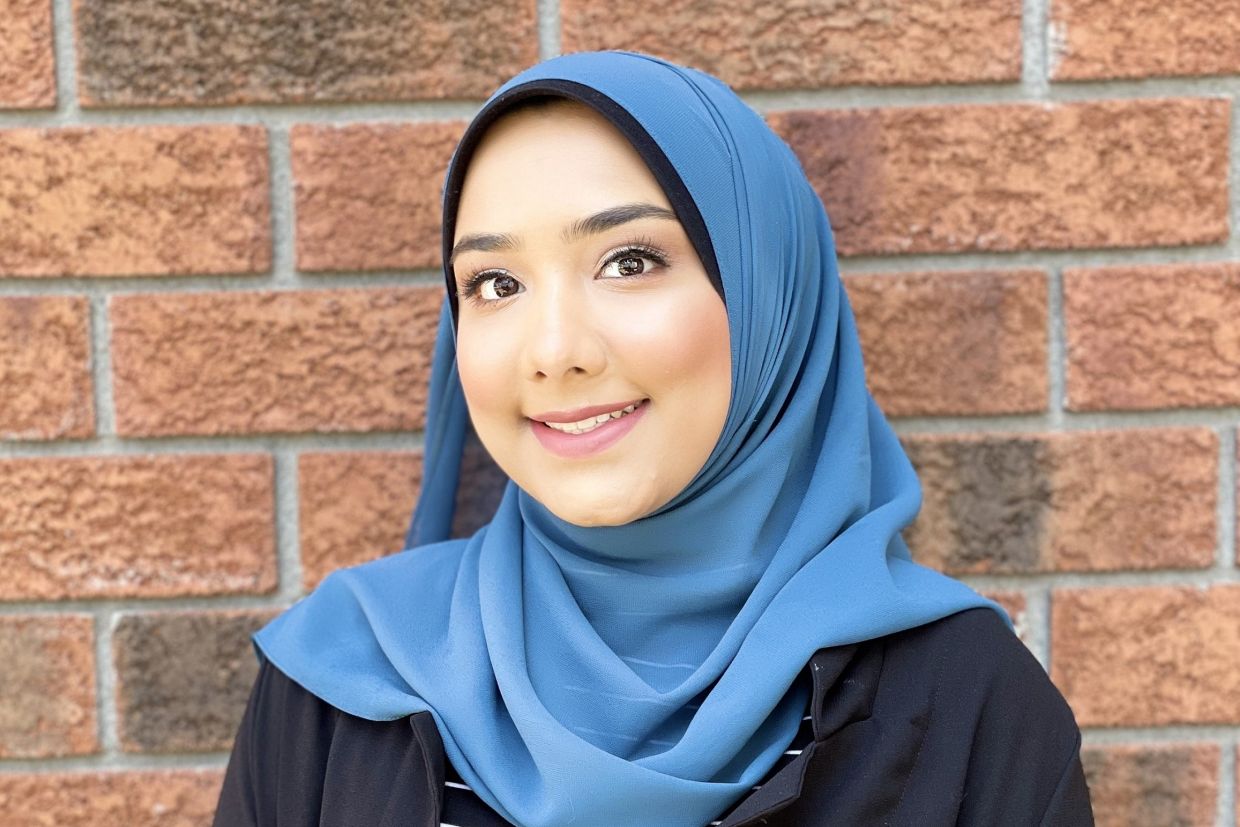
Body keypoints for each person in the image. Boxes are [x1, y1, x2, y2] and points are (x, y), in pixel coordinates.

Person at [213, 50, 1093, 826]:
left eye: (628, 261)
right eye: (494, 281)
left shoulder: (971, 707)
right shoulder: (339, 682)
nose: (555, 351)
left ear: (765, 300)